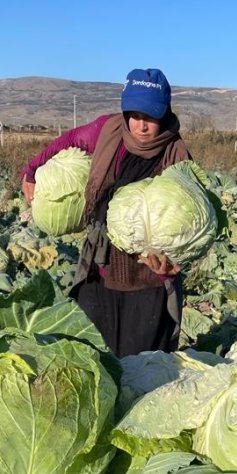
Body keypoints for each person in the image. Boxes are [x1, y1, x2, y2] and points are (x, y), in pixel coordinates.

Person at [18, 67, 192, 357]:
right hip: (99, 272)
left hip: (147, 283)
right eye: (135, 115)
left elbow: (189, 223)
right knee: (94, 357)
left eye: (150, 117)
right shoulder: (108, 131)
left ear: (164, 114)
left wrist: (174, 263)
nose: (141, 125)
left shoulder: (178, 156)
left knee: (140, 367)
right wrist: (31, 170)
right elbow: (68, 140)